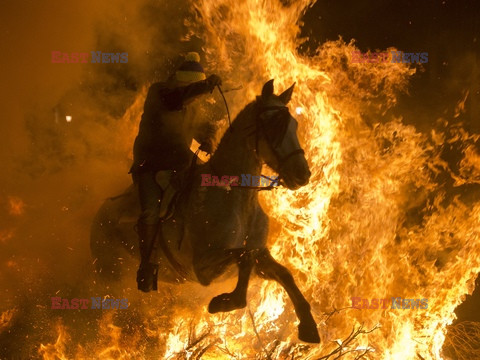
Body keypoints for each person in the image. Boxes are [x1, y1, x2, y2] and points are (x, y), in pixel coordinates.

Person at [130, 52, 221, 292]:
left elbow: (204, 128)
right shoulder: (160, 93)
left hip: (180, 164)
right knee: (150, 212)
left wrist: (209, 139)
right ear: (182, 83)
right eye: (190, 87)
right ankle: (147, 267)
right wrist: (205, 86)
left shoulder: (190, 106)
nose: (192, 95)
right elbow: (176, 100)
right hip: (150, 165)